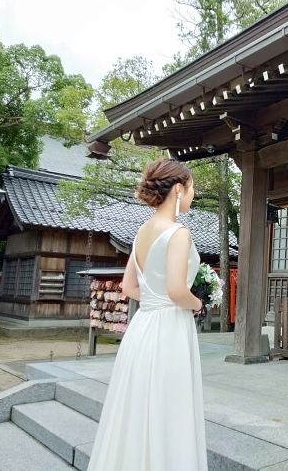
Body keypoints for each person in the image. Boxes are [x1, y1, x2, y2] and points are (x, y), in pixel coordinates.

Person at [87, 158, 208, 471]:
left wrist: (155, 301)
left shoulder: (143, 230)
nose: (194, 194)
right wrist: (197, 304)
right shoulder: (178, 233)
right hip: (169, 329)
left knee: (137, 404)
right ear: (178, 189)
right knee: (170, 406)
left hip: (142, 327)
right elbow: (177, 291)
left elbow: (129, 285)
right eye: (192, 187)